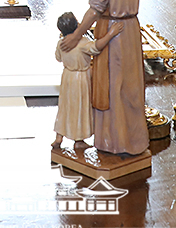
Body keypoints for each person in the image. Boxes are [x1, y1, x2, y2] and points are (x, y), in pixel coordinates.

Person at [59, 0, 148, 157]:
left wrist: (77, 35)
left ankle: (113, 141)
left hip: (111, 32)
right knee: (132, 86)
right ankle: (135, 140)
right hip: (131, 29)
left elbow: (95, 9)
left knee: (112, 86)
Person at [52, 10, 124, 152]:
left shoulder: (61, 43)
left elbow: (58, 58)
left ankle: (59, 137)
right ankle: (79, 140)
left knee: (65, 107)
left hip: (67, 77)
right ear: (77, 25)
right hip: (81, 78)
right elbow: (97, 47)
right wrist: (111, 34)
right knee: (80, 107)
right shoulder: (83, 43)